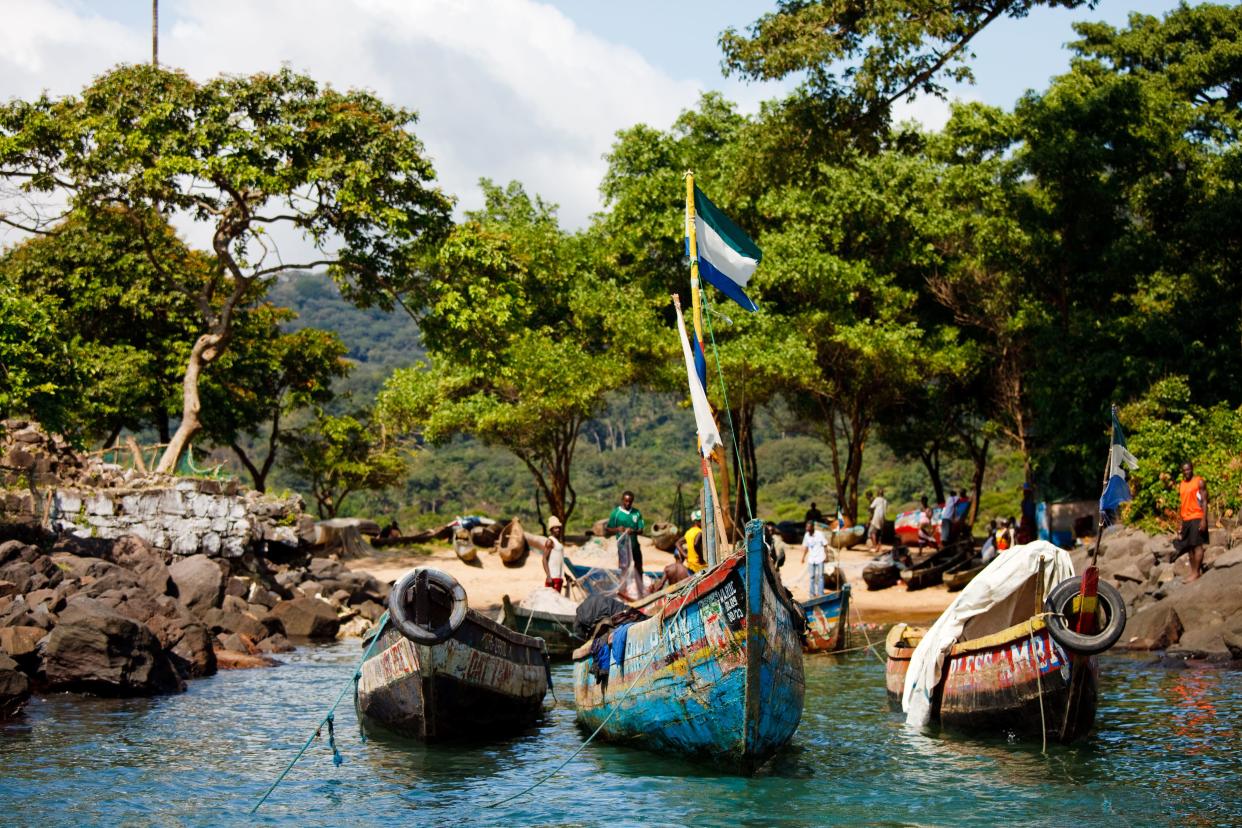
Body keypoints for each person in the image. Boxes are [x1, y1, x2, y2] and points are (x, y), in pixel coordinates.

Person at [1173, 462, 1209, 581]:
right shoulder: (1182, 484)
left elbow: (1204, 501)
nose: (1186, 472)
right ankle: (1193, 572)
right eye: (1184, 470)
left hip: (1197, 516)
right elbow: (1182, 504)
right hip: (1186, 519)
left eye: (1188, 470)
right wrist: (1180, 524)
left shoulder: (1199, 482)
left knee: (1197, 545)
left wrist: (1204, 520)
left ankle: (1196, 572)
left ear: (1192, 469)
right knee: (1189, 547)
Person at [606, 490, 645, 575]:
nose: (628, 503)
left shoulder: (636, 513)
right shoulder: (616, 513)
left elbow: (641, 530)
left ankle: (639, 586)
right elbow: (608, 529)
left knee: (638, 566)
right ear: (622, 500)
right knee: (624, 567)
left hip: (634, 546)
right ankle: (623, 587)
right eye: (626, 501)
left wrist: (633, 531)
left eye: (630, 501)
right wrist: (617, 529)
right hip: (622, 546)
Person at [801, 521, 828, 598]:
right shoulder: (806, 535)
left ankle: (821, 593)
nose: (807, 529)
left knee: (821, 576)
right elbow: (806, 547)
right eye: (806, 527)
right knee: (812, 576)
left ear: (812, 527)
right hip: (811, 559)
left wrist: (826, 556)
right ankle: (812, 594)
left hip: (820, 558)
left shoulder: (819, 534)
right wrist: (803, 557)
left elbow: (825, 544)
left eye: (808, 527)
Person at [542, 516, 566, 592]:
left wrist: (565, 575)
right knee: (551, 602)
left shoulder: (558, 542)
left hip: (559, 577)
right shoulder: (550, 541)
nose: (558, 529)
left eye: (558, 528)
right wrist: (549, 576)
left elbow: (559, 562)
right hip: (553, 579)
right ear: (551, 530)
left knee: (557, 601)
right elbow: (544, 559)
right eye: (555, 528)